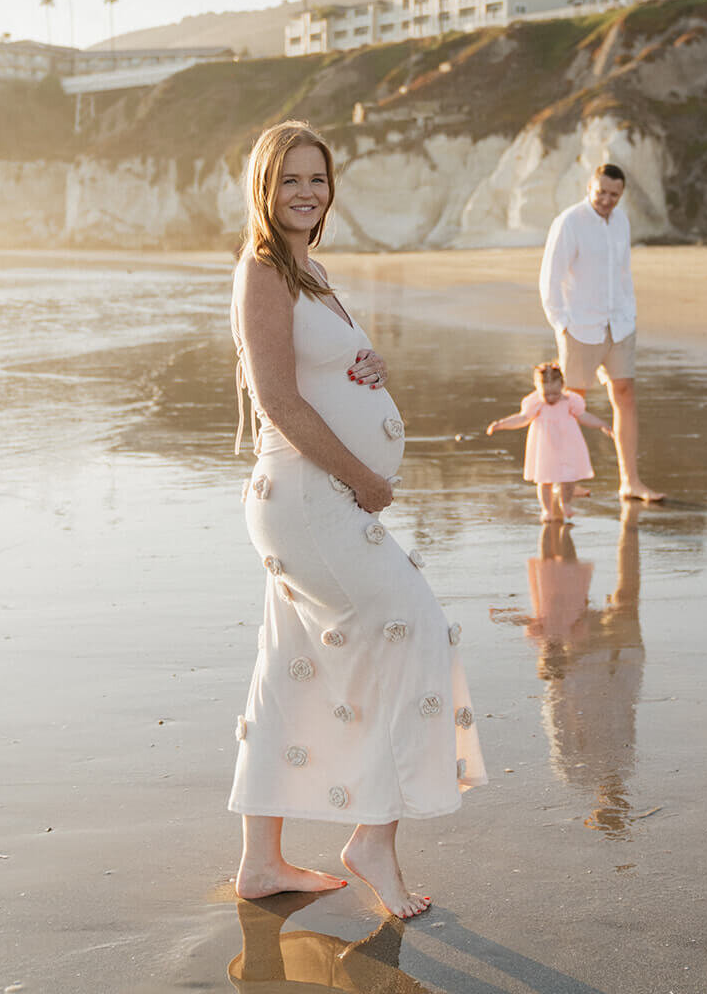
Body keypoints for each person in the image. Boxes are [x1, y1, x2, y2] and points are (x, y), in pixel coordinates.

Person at [228, 120, 485, 921]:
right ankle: (372, 838)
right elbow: (276, 399)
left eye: (318, 178)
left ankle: (260, 862)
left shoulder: (308, 268)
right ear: (263, 190)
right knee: (417, 626)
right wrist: (363, 478)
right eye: (290, 181)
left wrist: (368, 367)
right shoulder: (263, 270)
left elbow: (322, 367)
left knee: (289, 665)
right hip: (310, 499)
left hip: (315, 499)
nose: (307, 192)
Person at [539, 163, 664, 503]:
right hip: (580, 326)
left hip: (619, 323)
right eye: (602, 193)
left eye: (614, 195)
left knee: (625, 395)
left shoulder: (621, 221)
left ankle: (631, 481)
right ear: (590, 187)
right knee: (570, 405)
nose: (607, 200)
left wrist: (630, 312)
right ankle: (565, 480)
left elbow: (623, 273)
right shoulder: (569, 222)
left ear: (621, 194)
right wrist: (561, 325)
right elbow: (550, 278)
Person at [485, 361, 612, 521]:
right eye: (546, 394)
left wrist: (602, 424)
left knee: (569, 477)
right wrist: (501, 424)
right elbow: (522, 418)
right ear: (537, 388)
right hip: (544, 447)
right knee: (545, 479)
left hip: (568, 445)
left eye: (555, 393)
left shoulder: (570, 401)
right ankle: (547, 510)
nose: (551, 398)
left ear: (562, 386)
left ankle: (565, 502)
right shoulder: (535, 403)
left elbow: (583, 416)